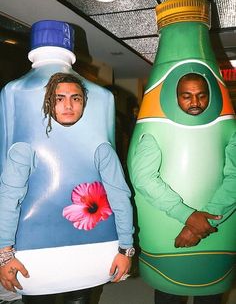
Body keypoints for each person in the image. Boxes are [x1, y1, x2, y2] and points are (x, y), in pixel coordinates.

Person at [0, 72, 135, 304]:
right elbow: (8, 199)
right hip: (35, 253)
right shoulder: (25, 145)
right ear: (47, 102)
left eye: (76, 98)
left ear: (84, 103)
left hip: (90, 249)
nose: (69, 105)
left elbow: (120, 198)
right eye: (59, 98)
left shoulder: (101, 147)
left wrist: (126, 249)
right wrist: (4, 255)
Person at [129, 73, 236, 304]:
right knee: (169, 292)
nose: (195, 103)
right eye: (186, 96)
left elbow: (235, 179)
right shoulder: (154, 132)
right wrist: (187, 215)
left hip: (219, 233)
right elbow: (143, 177)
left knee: (210, 293)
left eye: (201, 96)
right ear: (175, 97)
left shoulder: (230, 130)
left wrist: (200, 224)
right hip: (168, 234)